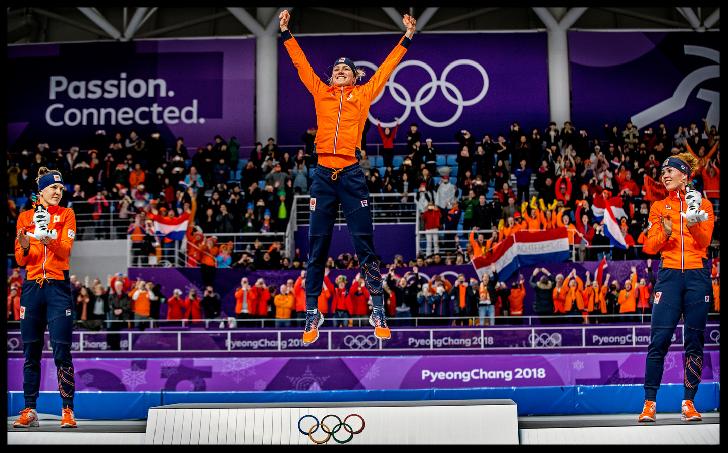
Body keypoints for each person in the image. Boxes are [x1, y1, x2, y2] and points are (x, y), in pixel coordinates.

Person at [279, 9, 417, 344]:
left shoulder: (363, 94)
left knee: (364, 244)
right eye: (337, 69)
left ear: (354, 78)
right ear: (332, 77)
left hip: (352, 175)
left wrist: (407, 37)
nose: (341, 72)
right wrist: (285, 33)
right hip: (323, 176)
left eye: (346, 70)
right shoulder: (320, 91)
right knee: (317, 245)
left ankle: (377, 307)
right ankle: (313, 311)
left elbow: (387, 68)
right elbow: (301, 64)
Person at [638, 152, 715, 423]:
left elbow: (705, 241)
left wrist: (692, 220)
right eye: (662, 173)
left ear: (685, 175)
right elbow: (649, 246)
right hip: (669, 277)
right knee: (658, 341)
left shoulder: (702, 203)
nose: (665, 176)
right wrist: (667, 232)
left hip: (697, 277)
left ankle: (689, 403)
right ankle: (649, 404)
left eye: (670, 171)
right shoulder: (659, 207)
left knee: (694, 343)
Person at [13, 167, 78, 428]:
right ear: (41, 191)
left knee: (62, 352)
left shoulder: (67, 214)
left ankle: (68, 410)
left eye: (61, 189)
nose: (58, 192)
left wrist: (47, 238)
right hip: (31, 288)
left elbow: (65, 251)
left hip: (58, 289)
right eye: (54, 188)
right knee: (31, 353)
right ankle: (29, 409)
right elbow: (20, 258)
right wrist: (28, 243)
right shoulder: (24, 217)